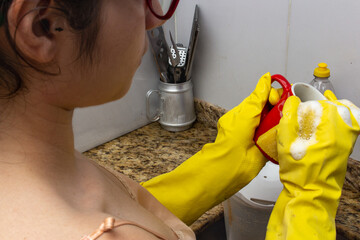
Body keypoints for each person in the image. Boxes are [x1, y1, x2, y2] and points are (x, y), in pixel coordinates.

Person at [0, 1, 359, 240]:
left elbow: (131, 209)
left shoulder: (37, 165)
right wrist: (311, 197)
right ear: (44, 28)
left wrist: (227, 160)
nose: (158, 17)